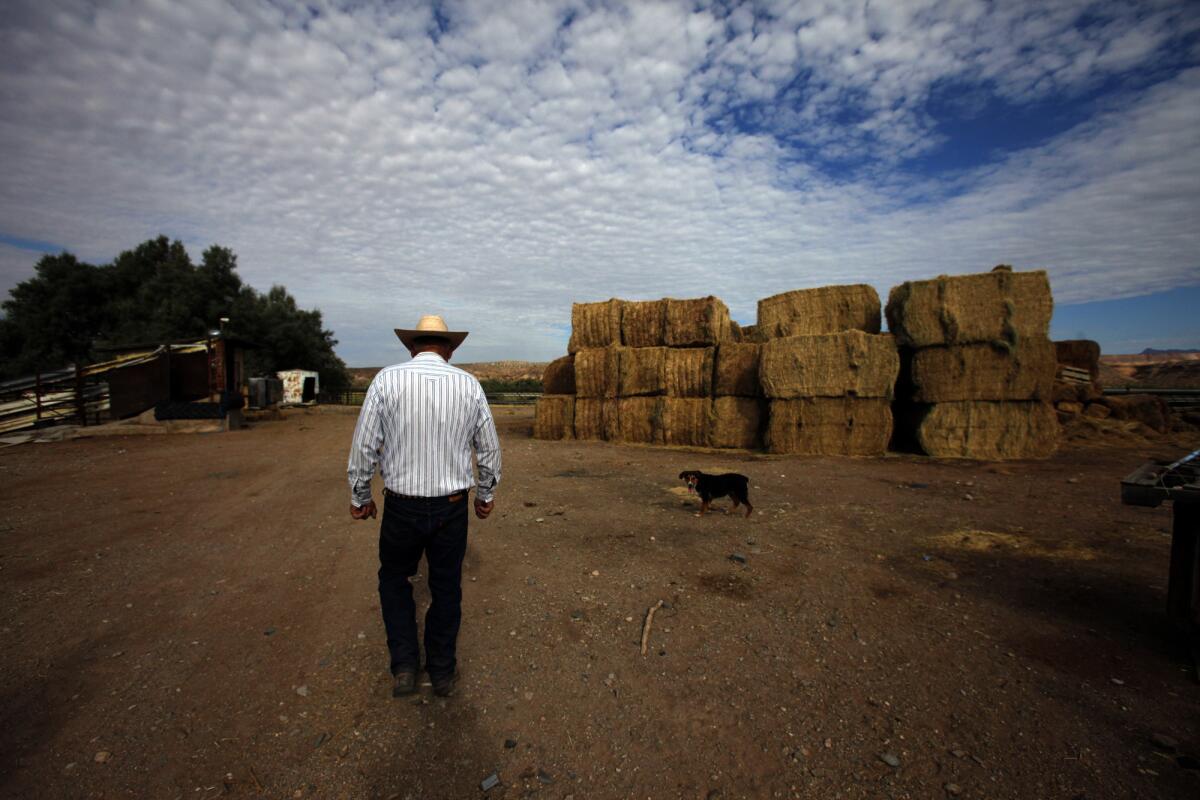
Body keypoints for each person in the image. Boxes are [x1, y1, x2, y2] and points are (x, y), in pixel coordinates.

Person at [346, 314, 501, 698]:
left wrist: (360, 496)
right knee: (446, 587)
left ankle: (403, 666)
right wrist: (485, 495)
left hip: (401, 507)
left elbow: (365, 446)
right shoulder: (469, 385)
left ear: (411, 346)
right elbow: (489, 450)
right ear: (449, 349)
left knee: (395, 582)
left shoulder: (386, 380)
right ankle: (442, 671)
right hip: (451, 509)